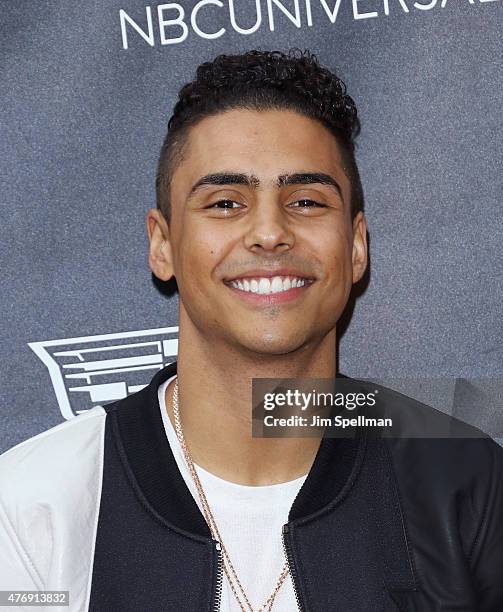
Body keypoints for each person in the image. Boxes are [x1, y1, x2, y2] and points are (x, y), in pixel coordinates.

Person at [1, 49, 502, 612]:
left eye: (307, 201)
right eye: (226, 203)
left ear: (356, 246)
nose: (269, 232)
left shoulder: (465, 483)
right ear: (162, 244)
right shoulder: (32, 504)